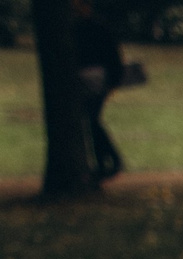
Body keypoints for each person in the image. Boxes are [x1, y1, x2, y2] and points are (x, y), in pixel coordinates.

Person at [70, 0, 129, 182]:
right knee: (92, 120)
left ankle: (110, 159)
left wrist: (113, 80)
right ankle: (107, 160)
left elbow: (112, 55)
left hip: (96, 78)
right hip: (95, 77)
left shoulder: (89, 28)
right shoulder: (89, 27)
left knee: (92, 120)